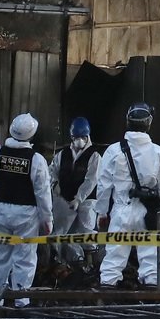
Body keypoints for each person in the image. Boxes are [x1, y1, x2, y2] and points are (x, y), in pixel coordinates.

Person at [95, 103, 160, 289]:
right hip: (149, 213)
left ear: (127, 121)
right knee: (151, 260)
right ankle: (151, 303)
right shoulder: (159, 153)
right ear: (149, 123)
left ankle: (107, 301)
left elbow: (104, 186)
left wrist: (102, 213)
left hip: (121, 210)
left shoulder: (113, 151)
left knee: (113, 259)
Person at [0, 113, 53, 307]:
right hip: (26, 214)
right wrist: (47, 219)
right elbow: (43, 193)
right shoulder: (36, 160)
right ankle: (21, 301)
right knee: (25, 257)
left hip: (1, 211)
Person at [50, 116, 100, 271]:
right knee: (62, 232)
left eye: (81, 138)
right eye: (75, 138)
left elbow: (91, 180)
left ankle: (92, 264)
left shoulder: (94, 156)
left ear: (87, 136)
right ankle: (71, 265)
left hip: (86, 201)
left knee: (86, 230)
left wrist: (79, 198)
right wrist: (55, 184)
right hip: (63, 199)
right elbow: (51, 170)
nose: (78, 141)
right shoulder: (62, 154)